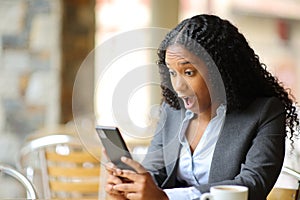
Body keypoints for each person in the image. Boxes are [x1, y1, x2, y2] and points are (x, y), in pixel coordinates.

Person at [104, 14, 299, 200]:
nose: (178, 87)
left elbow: (251, 185)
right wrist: (132, 186)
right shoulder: (173, 110)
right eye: (172, 73)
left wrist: (166, 197)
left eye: (188, 72)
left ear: (220, 70)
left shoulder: (265, 113)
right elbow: (157, 171)